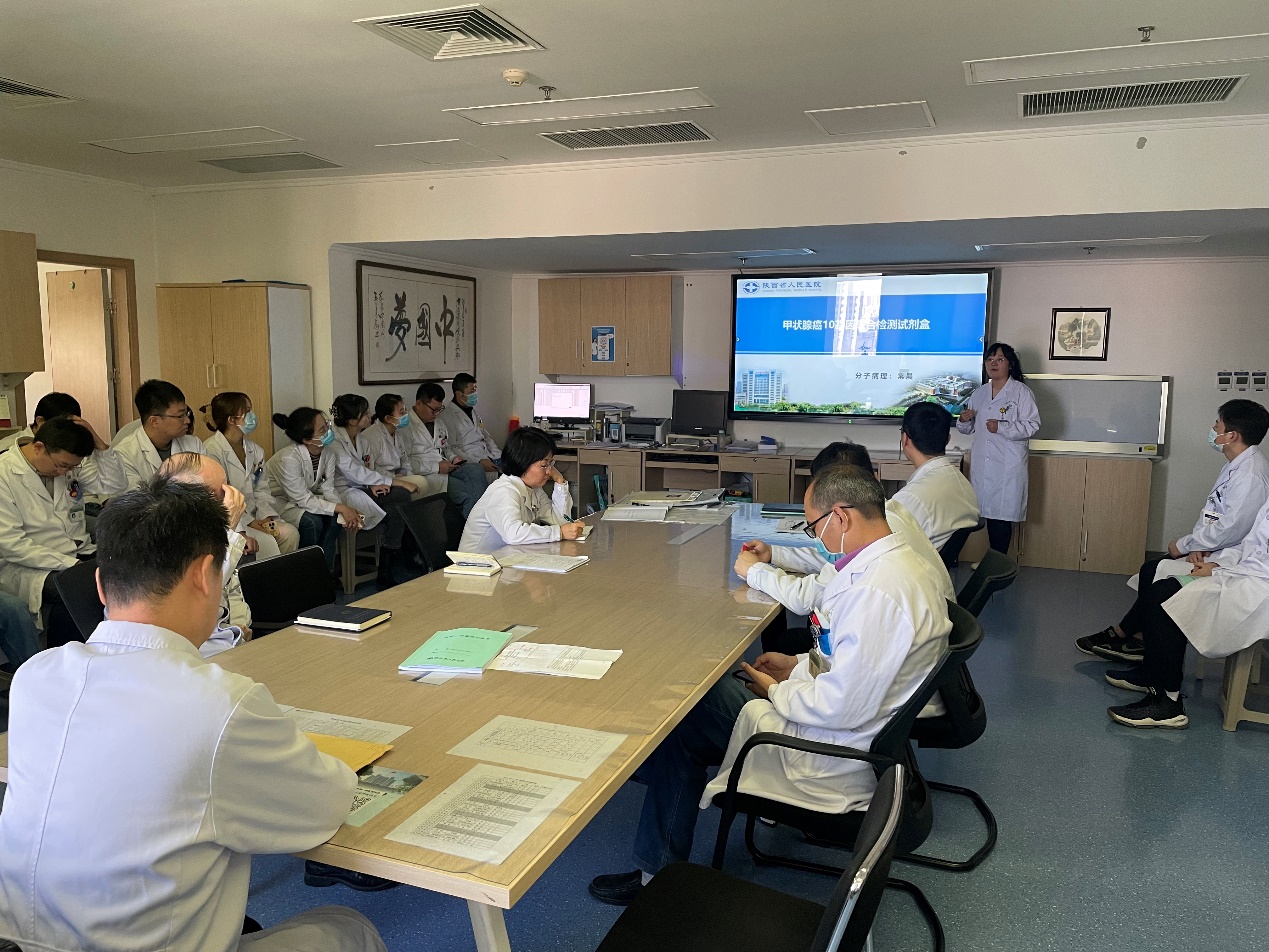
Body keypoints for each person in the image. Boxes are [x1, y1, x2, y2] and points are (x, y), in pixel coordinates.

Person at [0, 475, 388, 952]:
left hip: (23, 942)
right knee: (348, 928)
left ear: (100, 585)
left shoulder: (36, 677)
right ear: (207, 575)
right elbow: (325, 807)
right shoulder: (218, 702)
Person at [589, 464, 951, 906]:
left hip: (828, 752)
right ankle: (657, 871)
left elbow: (840, 706)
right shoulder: (892, 564)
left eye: (814, 526)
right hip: (851, 730)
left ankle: (652, 861)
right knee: (688, 728)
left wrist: (773, 689)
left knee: (690, 695)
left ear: (841, 516)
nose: (815, 538)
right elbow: (855, 664)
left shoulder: (879, 592)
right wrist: (796, 665)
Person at [1078, 399, 1269, 663]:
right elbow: (1214, 514)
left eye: (1218, 425)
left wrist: (1185, 545)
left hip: (1231, 559)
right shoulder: (1237, 464)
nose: (1213, 429)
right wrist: (1198, 545)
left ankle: (1132, 637)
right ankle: (1134, 636)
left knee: (1156, 573)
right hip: (1216, 550)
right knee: (1151, 569)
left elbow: (1232, 529)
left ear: (1232, 435)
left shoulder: (1251, 475)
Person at [738, 441, 953, 654]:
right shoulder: (883, 517)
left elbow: (807, 596)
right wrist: (774, 553)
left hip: (897, 637)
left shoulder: (876, 569)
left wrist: (754, 571)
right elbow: (833, 559)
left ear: (839, 513)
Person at [1104, 495, 1269, 730]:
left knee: (1165, 596)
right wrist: (1217, 564)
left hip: (1259, 589)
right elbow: (1249, 546)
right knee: (1161, 587)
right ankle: (1158, 685)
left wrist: (1218, 571)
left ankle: (1168, 704)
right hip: (1243, 575)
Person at [0, 418, 126, 648]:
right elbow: (12, 545)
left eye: (70, 467)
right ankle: (63, 657)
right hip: (29, 564)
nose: (64, 472)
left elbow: (114, 484)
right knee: (75, 589)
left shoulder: (66, 465)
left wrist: (101, 446)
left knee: (130, 572)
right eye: (62, 465)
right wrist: (70, 564)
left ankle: (115, 650)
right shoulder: (4, 474)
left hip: (77, 551)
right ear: (39, 447)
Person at [158, 452, 254, 657]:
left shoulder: (200, 529)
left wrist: (239, 626)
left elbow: (232, 589)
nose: (229, 501)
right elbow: (201, 588)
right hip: (188, 652)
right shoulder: (156, 538)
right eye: (219, 495)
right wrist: (224, 529)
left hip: (229, 640)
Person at [955, 342, 1040, 554]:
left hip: (1007, 467)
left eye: (1000, 359)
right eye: (990, 360)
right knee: (985, 516)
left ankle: (998, 564)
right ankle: (992, 563)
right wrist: (964, 420)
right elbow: (967, 429)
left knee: (1001, 519)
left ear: (1010, 364)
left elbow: (1032, 425)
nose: (993, 363)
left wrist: (1001, 427)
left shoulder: (1021, 392)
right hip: (984, 465)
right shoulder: (979, 393)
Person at [329, 394, 417, 586]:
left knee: (398, 503)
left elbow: (368, 467)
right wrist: (396, 482)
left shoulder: (361, 438)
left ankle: (387, 564)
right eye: (365, 414)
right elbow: (353, 471)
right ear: (353, 421)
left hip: (362, 487)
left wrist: (374, 484)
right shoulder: (335, 442)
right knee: (399, 499)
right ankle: (390, 563)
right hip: (343, 493)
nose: (370, 416)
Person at [201, 391, 300, 561]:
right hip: (232, 521)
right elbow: (220, 498)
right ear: (232, 420)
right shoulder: (211, 451)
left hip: (255, 515)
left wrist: (265, 517)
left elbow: (261, 489)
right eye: (247, 411)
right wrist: (250, 522)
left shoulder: (255, 450)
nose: (252, 416)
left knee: (290, 533)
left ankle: (283, 575)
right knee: (265, 541)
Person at [267, 408, 367, 573]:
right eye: (322, 430)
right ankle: (306, 573)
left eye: (327, 426)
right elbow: (302, 498)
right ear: (307, 440)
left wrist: (343, 511)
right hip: (277, 502)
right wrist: (342, 508)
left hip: (302, 500)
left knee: (335, 519)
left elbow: (328, 489)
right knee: (312, 523)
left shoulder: (328, 454)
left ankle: (325, 573)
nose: (328, 431)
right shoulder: (289, 458)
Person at [458, 426, 585, 554]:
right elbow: (514, 534)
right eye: (544, 465)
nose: (549, 471)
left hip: (507, 557)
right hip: (478, 563)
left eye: (550, 464)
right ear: (523, 462)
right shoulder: (504, 491)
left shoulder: (533, 488)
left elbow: (560, 521)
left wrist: (560, 481)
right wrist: (559, 533)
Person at [894, 402, 980, 551]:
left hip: (913, 563)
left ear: (905, 439)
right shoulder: (962, 483)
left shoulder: (910, 498)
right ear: (948, 439)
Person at [398, 381, 490, 518]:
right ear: (419, 404)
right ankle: (475, 524)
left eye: (439, 409)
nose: (436, 414)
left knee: (476, 469)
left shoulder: (438, 422)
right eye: (433, 410)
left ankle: (479, 517)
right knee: (467, 494)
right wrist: (436, 467)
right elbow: (405, 464)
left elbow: (446, 447)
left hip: (447, 467)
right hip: (428, 474)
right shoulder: (405, 428)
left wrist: (454, 458)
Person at [113, 379, 204, 490]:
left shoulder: (194, 444)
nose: (187, 420)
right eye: (180, 416)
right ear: (154, 421)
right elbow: (138, 497)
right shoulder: (123, 455)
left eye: (186, 413)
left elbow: (209, 484)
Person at [439, 372, 502, 478]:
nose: (475, 394)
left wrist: (498, 456)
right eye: (471, 391)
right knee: (503, 479)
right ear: (459, 394)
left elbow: (486, 437)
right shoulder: (447, 416)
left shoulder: (472, 412)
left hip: (488, 456)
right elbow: (452, 448)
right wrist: (479, 461)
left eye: (475, 390)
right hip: (471, 462)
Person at [0, 391, 84, 453]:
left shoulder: (72, 444)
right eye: (62, 427)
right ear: (41, 421)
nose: (67, 433)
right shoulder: (8, 447)